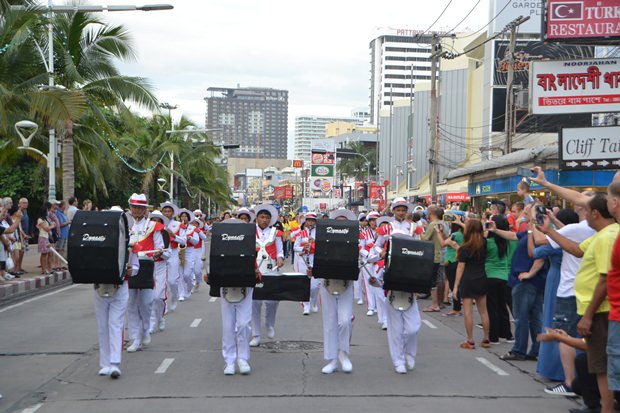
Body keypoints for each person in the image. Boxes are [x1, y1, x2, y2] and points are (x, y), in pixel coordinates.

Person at [538, 193, 619, 413]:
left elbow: (604, 279)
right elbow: (576, 249)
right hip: (596, 309)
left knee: (602, 367)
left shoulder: (607, 237)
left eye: (583, 210)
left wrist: (588, 315)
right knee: (594, 362)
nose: (579, 215)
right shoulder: (601, 234)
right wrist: (549, 231)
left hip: (601, 310)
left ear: (594, 213)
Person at [489, 205, 547, 362]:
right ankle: (535, 349)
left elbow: (541, 254)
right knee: (535, 317)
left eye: (526, 212)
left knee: (522, 317)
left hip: (527, 280)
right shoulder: (530, 231)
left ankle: (519, 350)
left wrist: (531, 273)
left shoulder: (538, 232)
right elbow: (514, 236)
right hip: (532, 280)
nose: (523, 214)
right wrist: (496, 230)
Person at [372, 198, 422, 374]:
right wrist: (382, 253)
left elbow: (421, 250)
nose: (401, 212)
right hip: (392, 275)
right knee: (395, 327)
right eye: (398, 210)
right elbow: (375, 247)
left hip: (410, 276)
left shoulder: (414, 228)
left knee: (413, 327)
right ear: (393, 211)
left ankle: (410, 353)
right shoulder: (385, 228)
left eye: (403, 210)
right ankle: (398, 360)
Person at [530, 209, 580, 383]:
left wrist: (533, 228)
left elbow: (536, 252)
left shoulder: (556, 243)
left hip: (558, 279)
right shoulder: (575, 237)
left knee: (554, 323)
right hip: (573, 280)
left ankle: (558, 371)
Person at [207, 217, 258, 375]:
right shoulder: (219, 246)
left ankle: (243, 359)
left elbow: (255, 265)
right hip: (227, 289)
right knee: (228, 326)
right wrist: (209, 277)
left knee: (243, 324)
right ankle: (229, 360)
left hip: (245, 289)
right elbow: (212, 266)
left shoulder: (249, 244)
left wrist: (256, 273)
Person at [315, 208, 357, 374]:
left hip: (346, 285)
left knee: (345, 320)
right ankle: (332, 359)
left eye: (343, 221)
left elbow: (366, 254)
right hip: (327, 284)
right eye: (337, 221)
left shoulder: (354, 240)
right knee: (330, 323)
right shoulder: (324, 239)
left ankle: (343, 353)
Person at [126, 194, 165, 353]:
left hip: (147, 266)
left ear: (145, 210)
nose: (137, 210)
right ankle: (135, 338)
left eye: (140, 208)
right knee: (131, 303)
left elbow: (161, 248)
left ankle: (145, 329)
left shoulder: (153, 226)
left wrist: (159, 253)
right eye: (134, 207)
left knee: (147, 303)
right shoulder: (125, 225)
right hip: (129, 266)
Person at [453, 219, 491, 349]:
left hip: (468, 279)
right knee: (483, 311)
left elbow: (460, 267)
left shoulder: (465, 247)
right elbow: (481, 232)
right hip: (481, 277)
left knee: (468, 311)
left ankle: (470, 339)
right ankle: (486, 338)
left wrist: (455, 286)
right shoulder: (484, 243)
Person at [250, 204, 284, 346]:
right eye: (262, 217)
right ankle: (256, 334)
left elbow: (280, 249)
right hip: (255, 269)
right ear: (257, 218)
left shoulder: (275, 232)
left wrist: (280, 257)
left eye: (267, 218)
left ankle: (269, 324)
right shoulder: (250, 231)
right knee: (255, 302)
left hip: (271, 268)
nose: (264, 220)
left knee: (273, 300)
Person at [484, 215, 513, 344]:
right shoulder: (508, 242)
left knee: (492, 307)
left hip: (489, 275)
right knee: (503, 306)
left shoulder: (488, 242)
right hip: (504, 275)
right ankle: (507, 334)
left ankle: (494, 336)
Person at [160, 202, 185, 313]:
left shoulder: (178, 225)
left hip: (173, 253)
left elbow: (184, 241)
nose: (167, 213)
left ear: (173, 213)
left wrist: (174, 236)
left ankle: (174, 298)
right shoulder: (156, 224)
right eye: (165, 211)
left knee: (172, 281)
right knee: (161, 282)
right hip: (161, 254)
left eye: (169, 211)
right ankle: (163, 305)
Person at [436, 217, 464, 317]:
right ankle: (457, 307)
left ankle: (456, 309)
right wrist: (443, 232)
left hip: (451, 261)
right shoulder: (461, 234)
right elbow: (447, 238)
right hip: (457, 261)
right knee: (456, 284)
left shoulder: (455, 235)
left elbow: (443, 243)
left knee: (453, 285)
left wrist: (438, 232)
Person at [148, 210, 171, 335]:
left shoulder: (164, 234)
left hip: (160, 266)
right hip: (148, 266)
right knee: (150, 297)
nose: (155, 223)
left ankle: (161, 318)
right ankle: (151, 322)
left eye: (158, 221)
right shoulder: (145, 233)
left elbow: (169, 254)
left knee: (158, 297)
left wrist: (161, 253)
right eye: (153, 220)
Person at [421, 206, 445, 312]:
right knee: (438, 279)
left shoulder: (432, 224)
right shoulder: (441, 223)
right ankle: (438, 303)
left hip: (433, 255)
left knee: (432, 281)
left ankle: (435, 304)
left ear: (430, 213)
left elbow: (426, 239)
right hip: (439, 254)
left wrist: (420, 231)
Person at [295, 212, 319, 316]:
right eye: (309, 220)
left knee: (314, 286)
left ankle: (313, 301)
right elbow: (295, 247)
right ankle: (306, 305)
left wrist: (315, 243)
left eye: (312, 221)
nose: (310, 222)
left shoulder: (319, 233)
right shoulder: (301, 233)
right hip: (303, 260)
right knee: (304, 284)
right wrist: (302, 248)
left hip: (315, 260)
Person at [178, 209, 199, 301]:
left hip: (189, 251)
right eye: (182, 216)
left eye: (185, 216)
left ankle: (189, 288)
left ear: (188, 218)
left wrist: (190, 238)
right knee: (180, 275)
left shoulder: (192, 228)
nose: (184, 218)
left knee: (187, 274)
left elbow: (196, 241)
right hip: (179, 251)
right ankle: (181, 294)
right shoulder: (177, 227)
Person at [36, 204, 56, 275]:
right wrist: (52, 226)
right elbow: (46, 229)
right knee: (44, 254)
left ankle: (47, 268)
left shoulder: (45, 219)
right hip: (42, 237)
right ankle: (43, 269)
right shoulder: (40, 220)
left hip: (46, 237)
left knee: (47, 253)